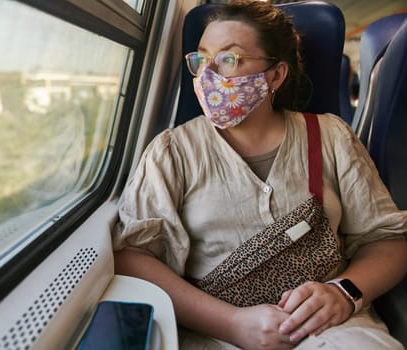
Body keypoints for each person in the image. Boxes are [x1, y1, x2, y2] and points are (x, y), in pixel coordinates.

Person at [111, 1, 407, 349]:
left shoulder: (331, 137)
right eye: (202, 59)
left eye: (229, 59)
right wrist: (233, 324)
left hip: (330, 328)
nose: (208, 75)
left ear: (275, 75)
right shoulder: (172, 151)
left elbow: (386, 240)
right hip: (213, 333)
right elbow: (132, 256)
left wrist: (343, 292)